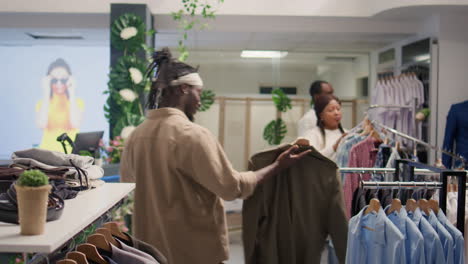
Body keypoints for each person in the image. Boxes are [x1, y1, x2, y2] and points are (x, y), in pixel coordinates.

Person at [120, 48, 310, 264]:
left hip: (150, 254)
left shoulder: (136, 136)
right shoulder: (192, 135)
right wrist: (277, 166)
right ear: (184, 89)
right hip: (194, 253)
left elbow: (128, 187)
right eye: (199, 92)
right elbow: (231, 187)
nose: (200, 101)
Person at [35, 58, 84, 152]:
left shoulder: (77, 102)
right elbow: (42, 124)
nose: (59, 83)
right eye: (54, 80)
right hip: (47, 153)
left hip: (70, 153)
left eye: (63, 80)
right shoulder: (42, 103)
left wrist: (72, 91)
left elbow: (75, 123)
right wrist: (46, 91)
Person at [303, 94, 347, 162]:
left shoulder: (347, 133)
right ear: (321, 115)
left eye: (338, 109)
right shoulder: (313, 134)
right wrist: (334, 147)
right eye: (330, 110)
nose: (336, 113)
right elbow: (312, 159)